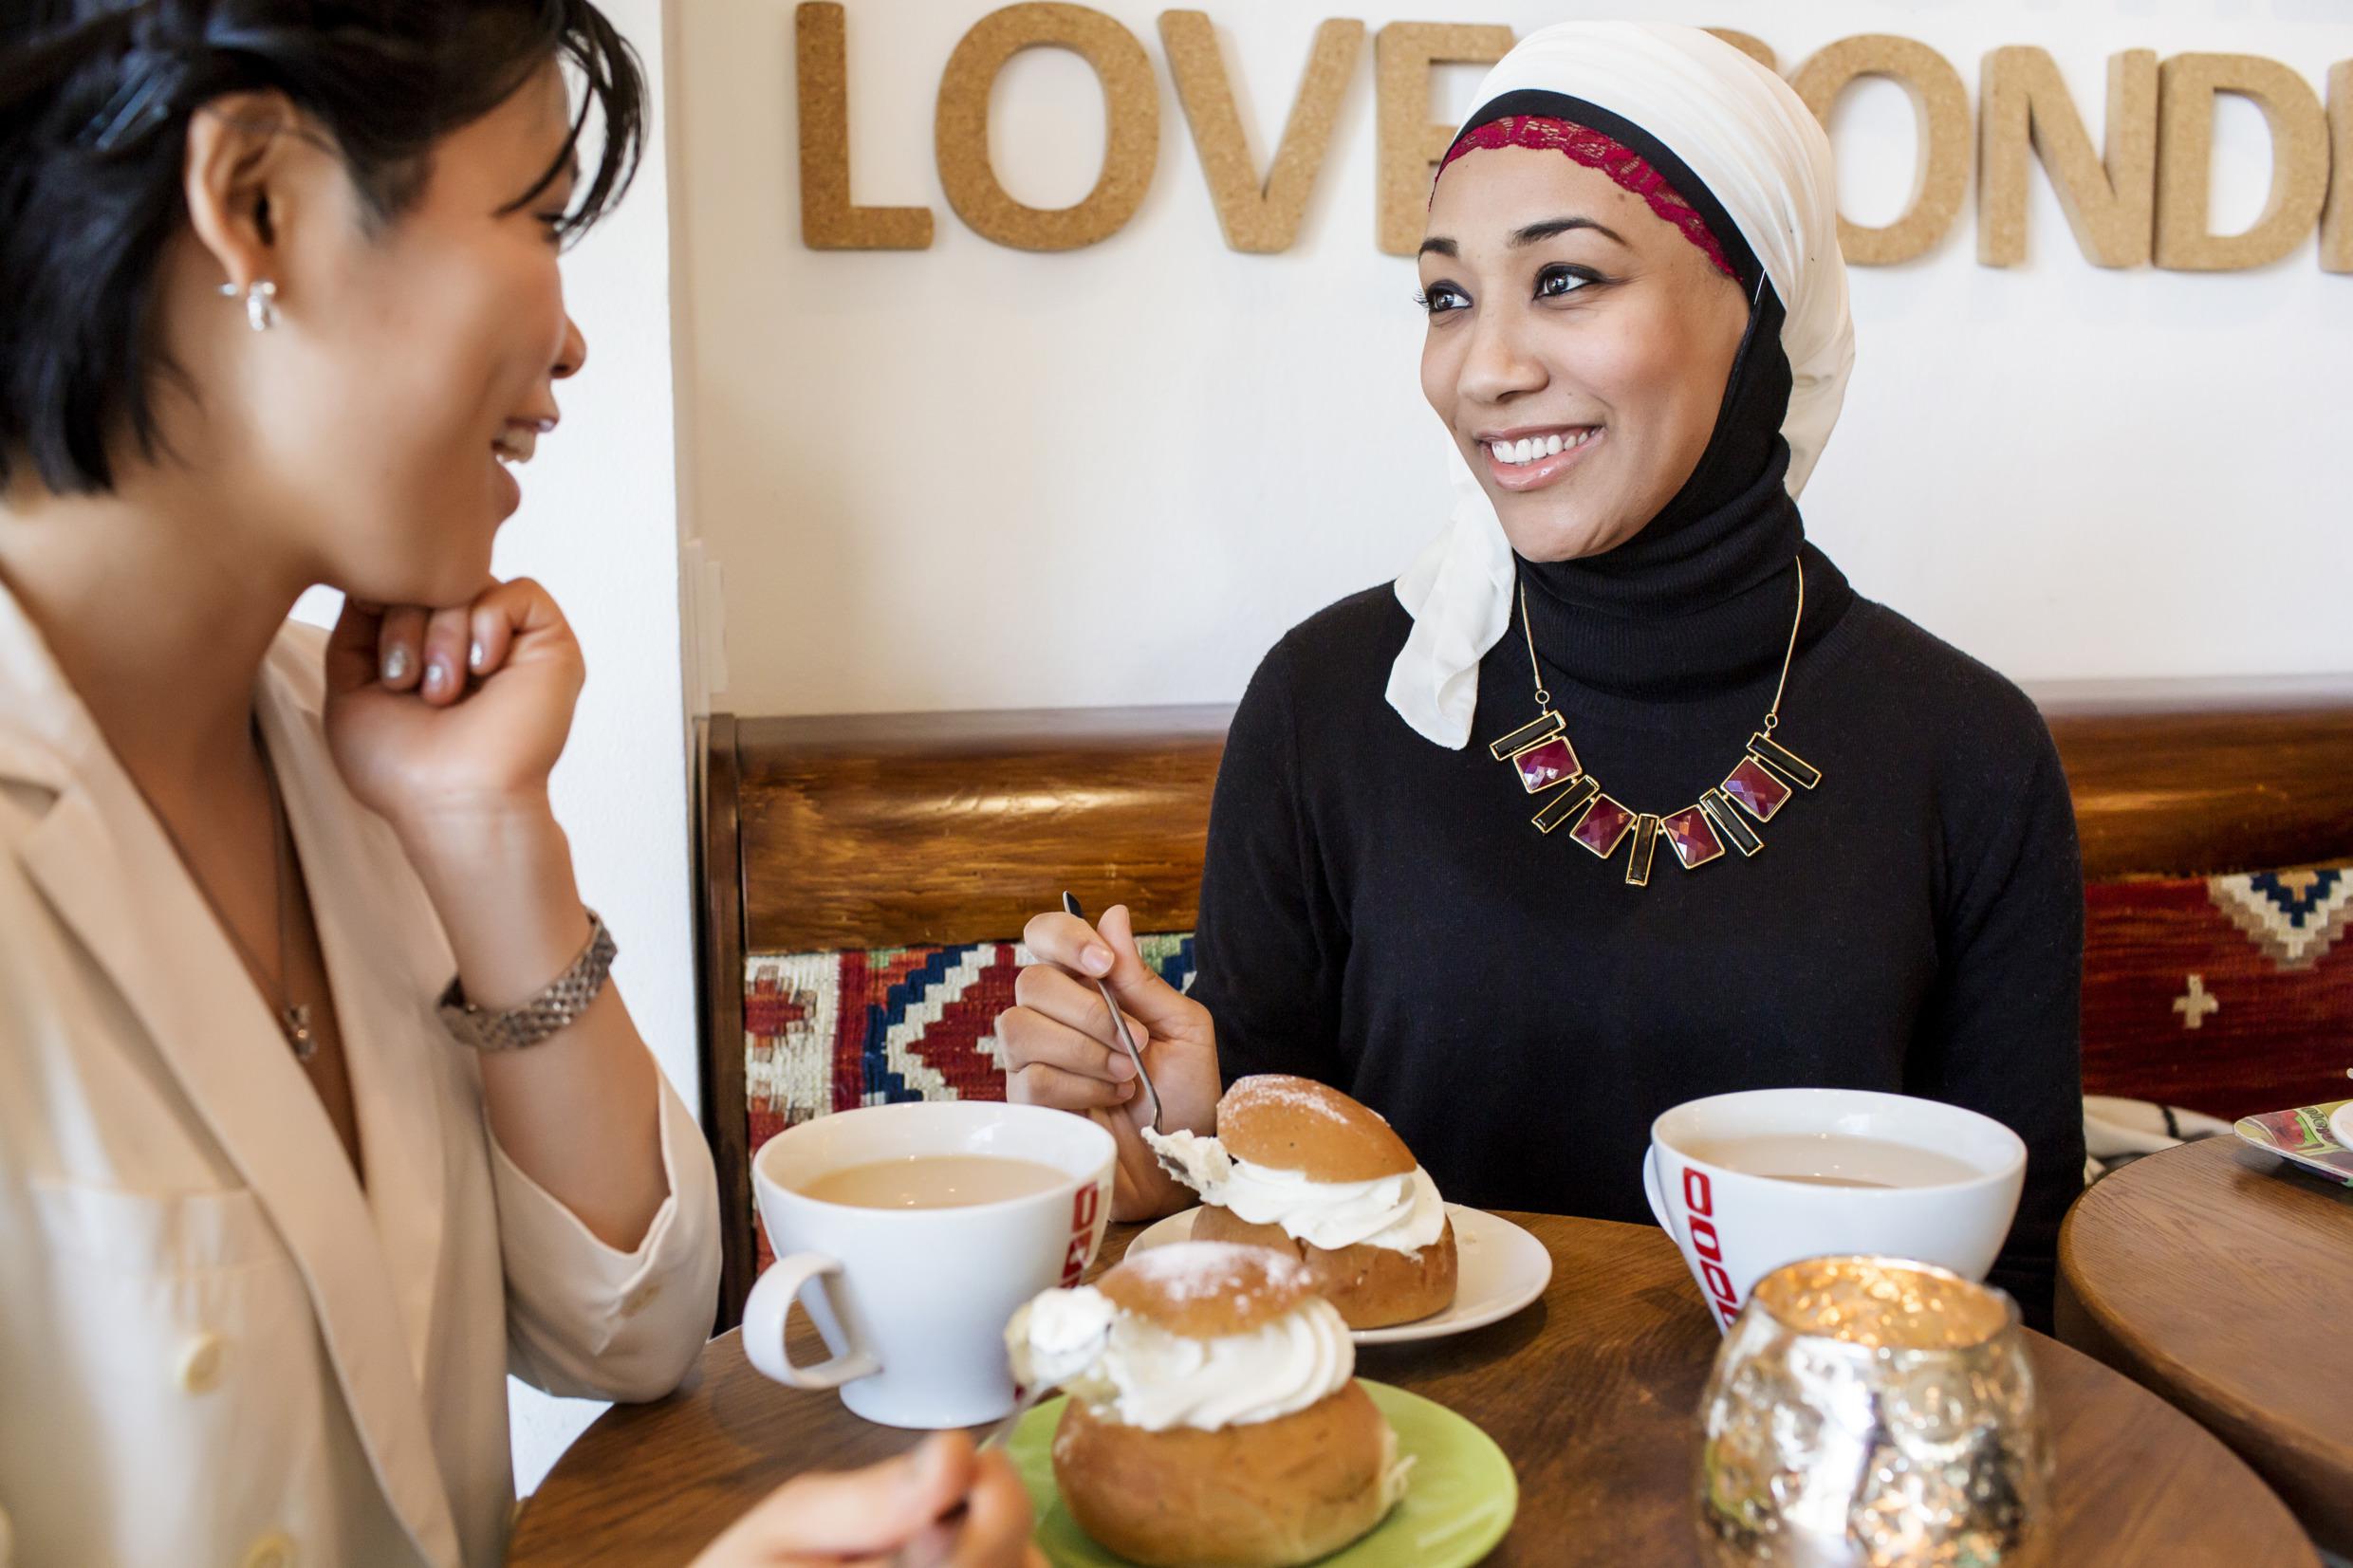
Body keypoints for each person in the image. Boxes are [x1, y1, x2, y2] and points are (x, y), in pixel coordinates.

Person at [0, 5, 1035, 1565]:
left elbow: (640, 1321)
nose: (570, 343)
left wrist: (490, 835)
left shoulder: (346, 742)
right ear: (256, 202)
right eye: (539, 218)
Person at [999, 20, 2084, 1329]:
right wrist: (1171, 1161)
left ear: (1759, 309)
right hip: (1413, 1452)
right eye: (1448, 298)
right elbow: (1272, 1227)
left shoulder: (1967, 748)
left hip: (1811, 1446)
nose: (1486, 369)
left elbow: (2016, 1278)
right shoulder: (1326, 706)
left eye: (1565, 279)